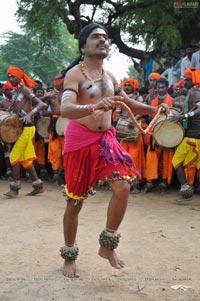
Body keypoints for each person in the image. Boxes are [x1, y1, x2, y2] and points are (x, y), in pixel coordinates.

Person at [60, 23, 168, 278]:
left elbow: (127, 102)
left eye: (105, 37)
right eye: (96, 37)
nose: (103, 40)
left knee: (124, 185)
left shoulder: (110, 77)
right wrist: (93, 107)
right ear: (83, 45)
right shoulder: (75, 75)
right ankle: (68, 254)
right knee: (75, 203)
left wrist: (154, 109)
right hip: (79, 142)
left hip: (106, 140)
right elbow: (65, 109)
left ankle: (107, 245)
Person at [3, 66, 47, 198]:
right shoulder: (16, 92)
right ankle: (38, 186)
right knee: (26, 160)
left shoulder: (25, 90)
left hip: (27, 128)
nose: (10, 78)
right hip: (20, 128)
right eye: (9, 76)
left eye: (13, 76)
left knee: (13, 157)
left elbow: (41, 104)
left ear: (19, 76)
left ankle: (15, 188)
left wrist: (30, 114)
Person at [171, 67, 200, 202]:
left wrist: (185, 116)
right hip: (194, 135)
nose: (184, 81)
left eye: (187, 79)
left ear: (193, 79)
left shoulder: (195, 92)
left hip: (193, 136)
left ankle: (185, 191)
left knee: (177, 161)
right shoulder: (193, 92)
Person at [144, 78, 174, 193]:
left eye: (162, 87)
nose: (160, 89)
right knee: (152, 158)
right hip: (155, 133)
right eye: (158, 87)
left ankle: (163, 182)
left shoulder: (172, 101)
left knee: (166, 159)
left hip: (168, 133)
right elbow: (148, 117)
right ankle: (150, 182)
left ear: (167, 87)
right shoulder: (152, 101)